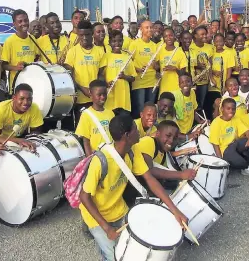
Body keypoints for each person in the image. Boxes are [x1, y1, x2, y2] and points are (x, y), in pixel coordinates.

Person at [79, 113, 188, 261]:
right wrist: (106, 228)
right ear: (127, 135)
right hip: (97, 215)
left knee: (138, 245)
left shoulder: (133, 150)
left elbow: (150, 178)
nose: (139, 132)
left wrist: (175, 211)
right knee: (115, 256)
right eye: (136, 129)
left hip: (119, 209)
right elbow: (84, 197)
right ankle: (91, 228)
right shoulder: (100, 161)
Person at [124, 120, 198, 205]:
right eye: (168, 135)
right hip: (131, 196)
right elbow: (150, 170)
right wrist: (181, 174)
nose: (171, 140)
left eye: (175, 138)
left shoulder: (163, 153)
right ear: (157, 133)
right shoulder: (148, 141)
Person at [64, 20, 105, 123]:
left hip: (95, 98)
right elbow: (69, 76)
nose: (84, 38)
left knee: (96, 125)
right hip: (80, 98)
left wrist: (98, 91)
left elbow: (101, 74)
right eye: (81, 35)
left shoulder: (100, 51)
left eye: (87, 34)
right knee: (81, 127)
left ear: (92, 34)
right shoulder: (72, 51)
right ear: (78, 34)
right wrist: (83, 89)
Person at [209, 97, 249, 179]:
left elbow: (247, 131)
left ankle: (245, 166)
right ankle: (246, 167)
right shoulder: (216, 123)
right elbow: (215, 144)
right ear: (222, 109)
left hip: (234, 144)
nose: (231, 111)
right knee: (233, 157)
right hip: (225, 150)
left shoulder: (235, 118)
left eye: (233, 109)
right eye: (228, 109)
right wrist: (221, 161)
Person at [1, 9, 41, 95]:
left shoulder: (32, 39)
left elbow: (37, 57)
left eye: (26, 20)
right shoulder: (9, 41)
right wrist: (16, 68)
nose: (24, 23)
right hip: (17, 86)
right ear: (14, 24)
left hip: (33, 84)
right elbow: (3, 65)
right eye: (20, 21)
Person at [75, 80, 115, 156]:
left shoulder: (111, 113)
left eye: (104, 94)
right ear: (91, 94)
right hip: (96, 156)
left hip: (111, 154)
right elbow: (86, 140)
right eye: (99, 95)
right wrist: (89, 158)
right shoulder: (86, 114)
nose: (102, 97)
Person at [128, 20, 159, 117]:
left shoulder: (155, 46)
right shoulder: (134, 44)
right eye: (147, 27)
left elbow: (158, 66)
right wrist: (137, 69)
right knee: (140, 108)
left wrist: (155, 65)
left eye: (151, 27)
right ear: (141, 29)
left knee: (150, 107)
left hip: (152, 80)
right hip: (139, 81)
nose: (149, 29)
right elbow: (128, 62)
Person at [101, 30, 136, 111]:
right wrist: (106, 84)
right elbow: (100, 74)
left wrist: (124, 76)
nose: (117, 43)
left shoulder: (127, 57)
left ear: (123, 41)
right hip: (110, 95)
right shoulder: (106, 56)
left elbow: (133, 78)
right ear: (109, 42)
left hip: (123, 98)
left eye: (120, 41)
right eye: (114, 41)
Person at [204, 33, 235, 121]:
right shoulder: (212, 53)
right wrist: (212, 76)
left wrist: (226, 85)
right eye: (216, 41)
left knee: (221, 105)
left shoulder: (228, 53)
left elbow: (229, 69)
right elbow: (208, 67)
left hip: (223, 85)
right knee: (213, 105)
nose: (218, 43)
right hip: (213, 85)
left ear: (224, 42)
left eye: (221, 41)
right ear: (213, 42)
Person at [156, 28, 187, 96]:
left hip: (176, 88)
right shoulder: (160, 51)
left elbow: (183, 73)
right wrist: (157, 72)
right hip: (163, 87)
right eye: (166, 36)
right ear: (163, 38)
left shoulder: (180, 52)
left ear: (174, 36)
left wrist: (175, 69)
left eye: (171, 35)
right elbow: (157, 67)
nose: (168, 38)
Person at [191, 26, 215, 111]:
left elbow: (210, 64)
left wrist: (211, 78)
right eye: (202, 34)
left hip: (204, 80)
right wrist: (197, 66)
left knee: (201, 104)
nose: (205, 36)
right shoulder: (190, 47)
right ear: (195, 36)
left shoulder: (210, 47)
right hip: (193, 80)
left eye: (205, 34)